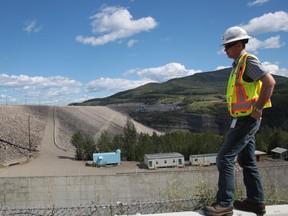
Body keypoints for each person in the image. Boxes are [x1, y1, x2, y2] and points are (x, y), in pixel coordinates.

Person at [203, 26, 276, 216]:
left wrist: (258, 109)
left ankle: (225, 204)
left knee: (224, 158)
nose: (225, 49)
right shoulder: (238, 65)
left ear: (239, 44)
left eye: (228, 46)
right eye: (225, 46)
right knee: (246, 160)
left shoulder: (248, 61)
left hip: (247, 119)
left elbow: (270, 82)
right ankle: (255, 202)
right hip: (242, 118)